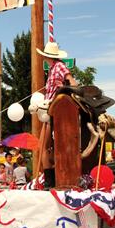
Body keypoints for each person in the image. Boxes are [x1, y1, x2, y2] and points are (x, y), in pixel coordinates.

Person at [36, 42, 77, 188]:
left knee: (44, 147)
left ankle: (50, 180)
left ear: (48, 56)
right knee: (44, 147)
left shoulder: (59, 66)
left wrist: (65, 88)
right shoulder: (53, 68)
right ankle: (51, 178)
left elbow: (73, 83)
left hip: (53, 111)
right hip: (48, 111)